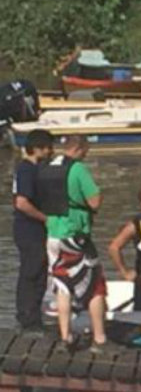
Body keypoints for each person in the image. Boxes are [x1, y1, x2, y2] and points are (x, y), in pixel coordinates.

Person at [39, 135, 108, 352]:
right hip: (75, 234)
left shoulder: (48, 167)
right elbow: (94, 200)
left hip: (53, 233)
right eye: (85, 150)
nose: (86, 155)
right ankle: (99, 338)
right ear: (78, 149)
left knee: (62, 285)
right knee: (96, 285)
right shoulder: (77, 169)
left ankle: (65, 336)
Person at [12, 129, 54, 334]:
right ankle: (28, 318)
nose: (51, 152)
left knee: (39, 272)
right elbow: (22, 203)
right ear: (38, 149)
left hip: (34, 229)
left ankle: (34, 316)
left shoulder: (32, 169)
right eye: (48, 148)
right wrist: (46, 219)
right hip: (29, 229)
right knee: (31, 272)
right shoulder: (27, 170)